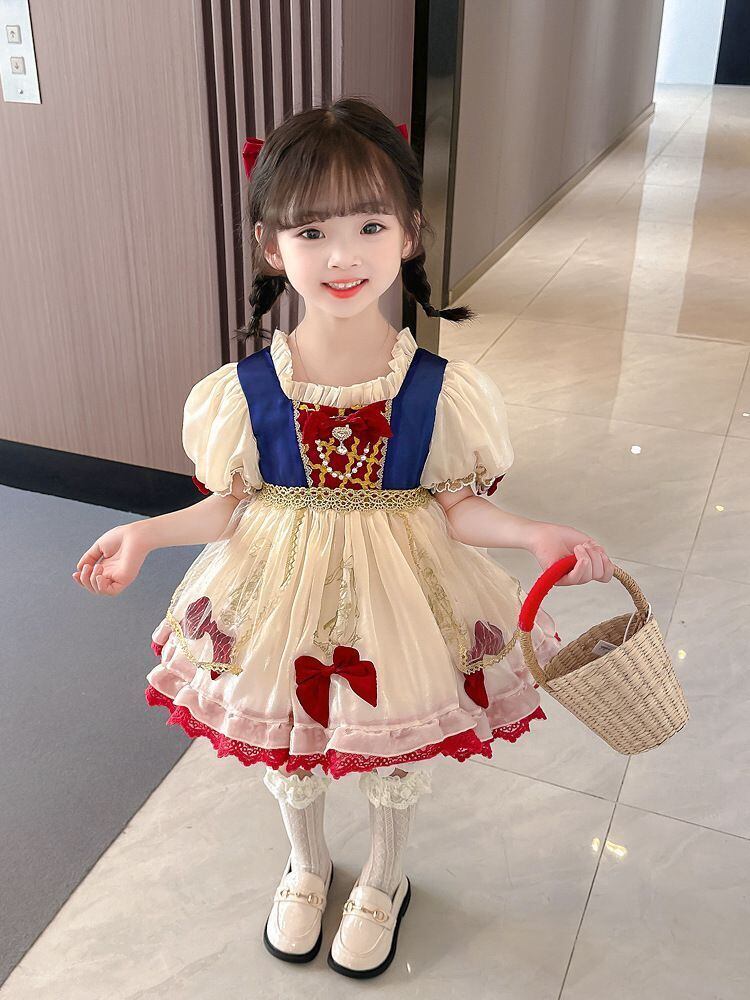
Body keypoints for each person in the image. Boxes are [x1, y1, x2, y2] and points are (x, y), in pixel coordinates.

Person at [73, 97, 614, 980]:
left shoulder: (441, 389)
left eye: (369, 225)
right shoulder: (242, 390)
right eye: (312, 231)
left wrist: (531, 533)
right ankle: (308, 862)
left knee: (392, 739)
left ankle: (386, 877)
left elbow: (455, 507)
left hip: (405, 591)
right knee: (294, 738)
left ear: (408, 233)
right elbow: (231, 507)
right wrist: (146, 534)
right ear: (270, 246)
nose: (342, 256)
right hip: (278, 587)